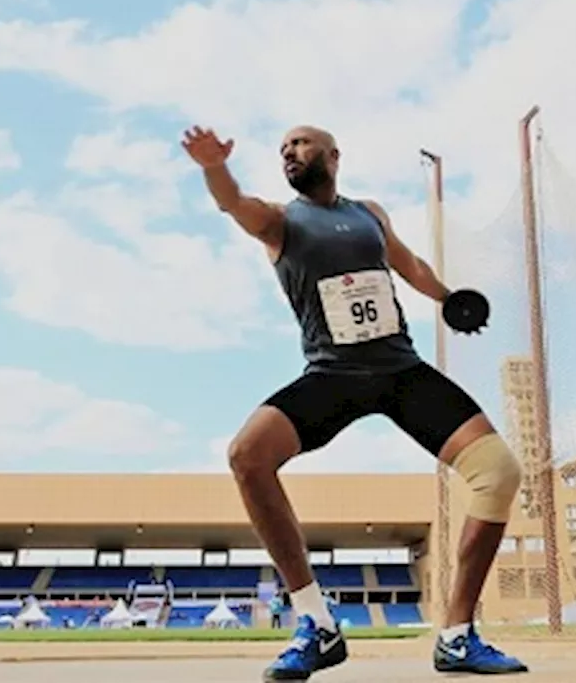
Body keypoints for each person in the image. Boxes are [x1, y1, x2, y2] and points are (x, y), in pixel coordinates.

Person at [181, 124, 529, 681]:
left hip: (400, 371)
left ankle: (457, 637)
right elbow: (232, 203)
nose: (290, 153)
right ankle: (316, 624)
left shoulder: (369, 212)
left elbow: (407, 262)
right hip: (333, 374)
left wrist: (448, 298)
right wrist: (212, 167)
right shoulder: (279, 221)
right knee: (248, 454)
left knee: (498, 471)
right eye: (283, 150)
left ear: (333, 155)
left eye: (300, 143)